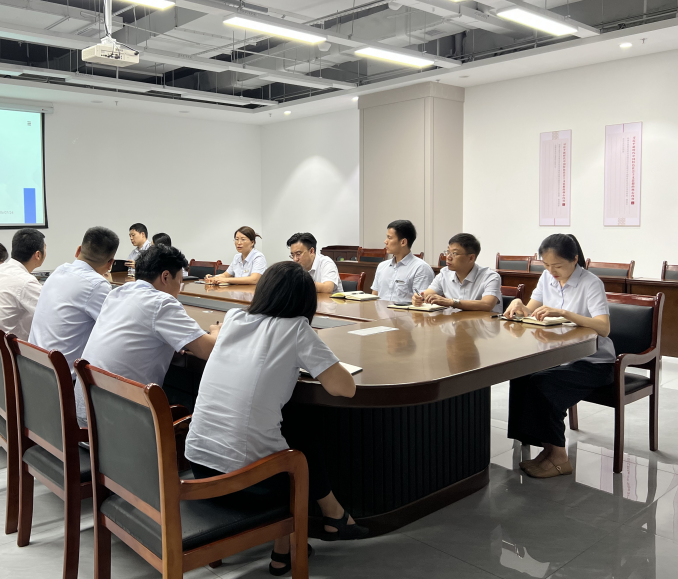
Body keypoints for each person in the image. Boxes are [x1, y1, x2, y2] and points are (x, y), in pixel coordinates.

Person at [185, 262, 368, 576]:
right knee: (296, 457)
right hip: (245, 480)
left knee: (293, 427)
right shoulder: (296, 329)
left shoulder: (234, 318)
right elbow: (345, 388)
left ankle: (328, 521)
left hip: (199, 466)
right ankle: (286, 552)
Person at [504, 234, 615, 479]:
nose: (552, 272)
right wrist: (519, 305)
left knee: (543, 383)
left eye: (557, 266)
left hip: (594, 362)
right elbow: (530, 310)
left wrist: (564, 313)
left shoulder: (591, 283)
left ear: (574, 259)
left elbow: (603, 327)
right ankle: (546, 449)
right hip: (559, 358)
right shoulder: (547, 278)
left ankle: (560, 458)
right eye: (546, 265)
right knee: (521, 376)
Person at [80, 244, 219, 387]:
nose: (179, 290)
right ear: (165, 277)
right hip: (124, 399)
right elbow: (209, 350)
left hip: (88, 395)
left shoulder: (117, 293)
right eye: (179, 282)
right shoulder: (162, 303)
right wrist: (216, 331)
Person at [29, 226, 119, 423]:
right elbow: (116, 329)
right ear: (110, 263)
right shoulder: (97, 285)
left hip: (33, 369)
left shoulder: (58, 271)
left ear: (78, 250)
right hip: (63, 382)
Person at [0, 228, 46, 341]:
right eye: (45, 248)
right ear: (38, 254)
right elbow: (52, 314)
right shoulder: (25, 282)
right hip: (7, 348)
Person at [412, 233, 502, 312]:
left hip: (482, 324)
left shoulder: (490, 277)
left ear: (471, 258)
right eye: (448, 252)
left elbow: (487, 305)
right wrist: (418, 298)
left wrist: (451, 302)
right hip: (455, 322)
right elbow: (426, 294)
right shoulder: (444, 273)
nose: (448, 257)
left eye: (454, 253)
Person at [370, 220, 434, 304]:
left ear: (403, 242)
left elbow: (422, 302)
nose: (385, 241)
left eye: (389, 238)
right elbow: (375, 295)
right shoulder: (382, 266)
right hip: (381, 312)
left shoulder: (421, 268)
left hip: (405, 312)